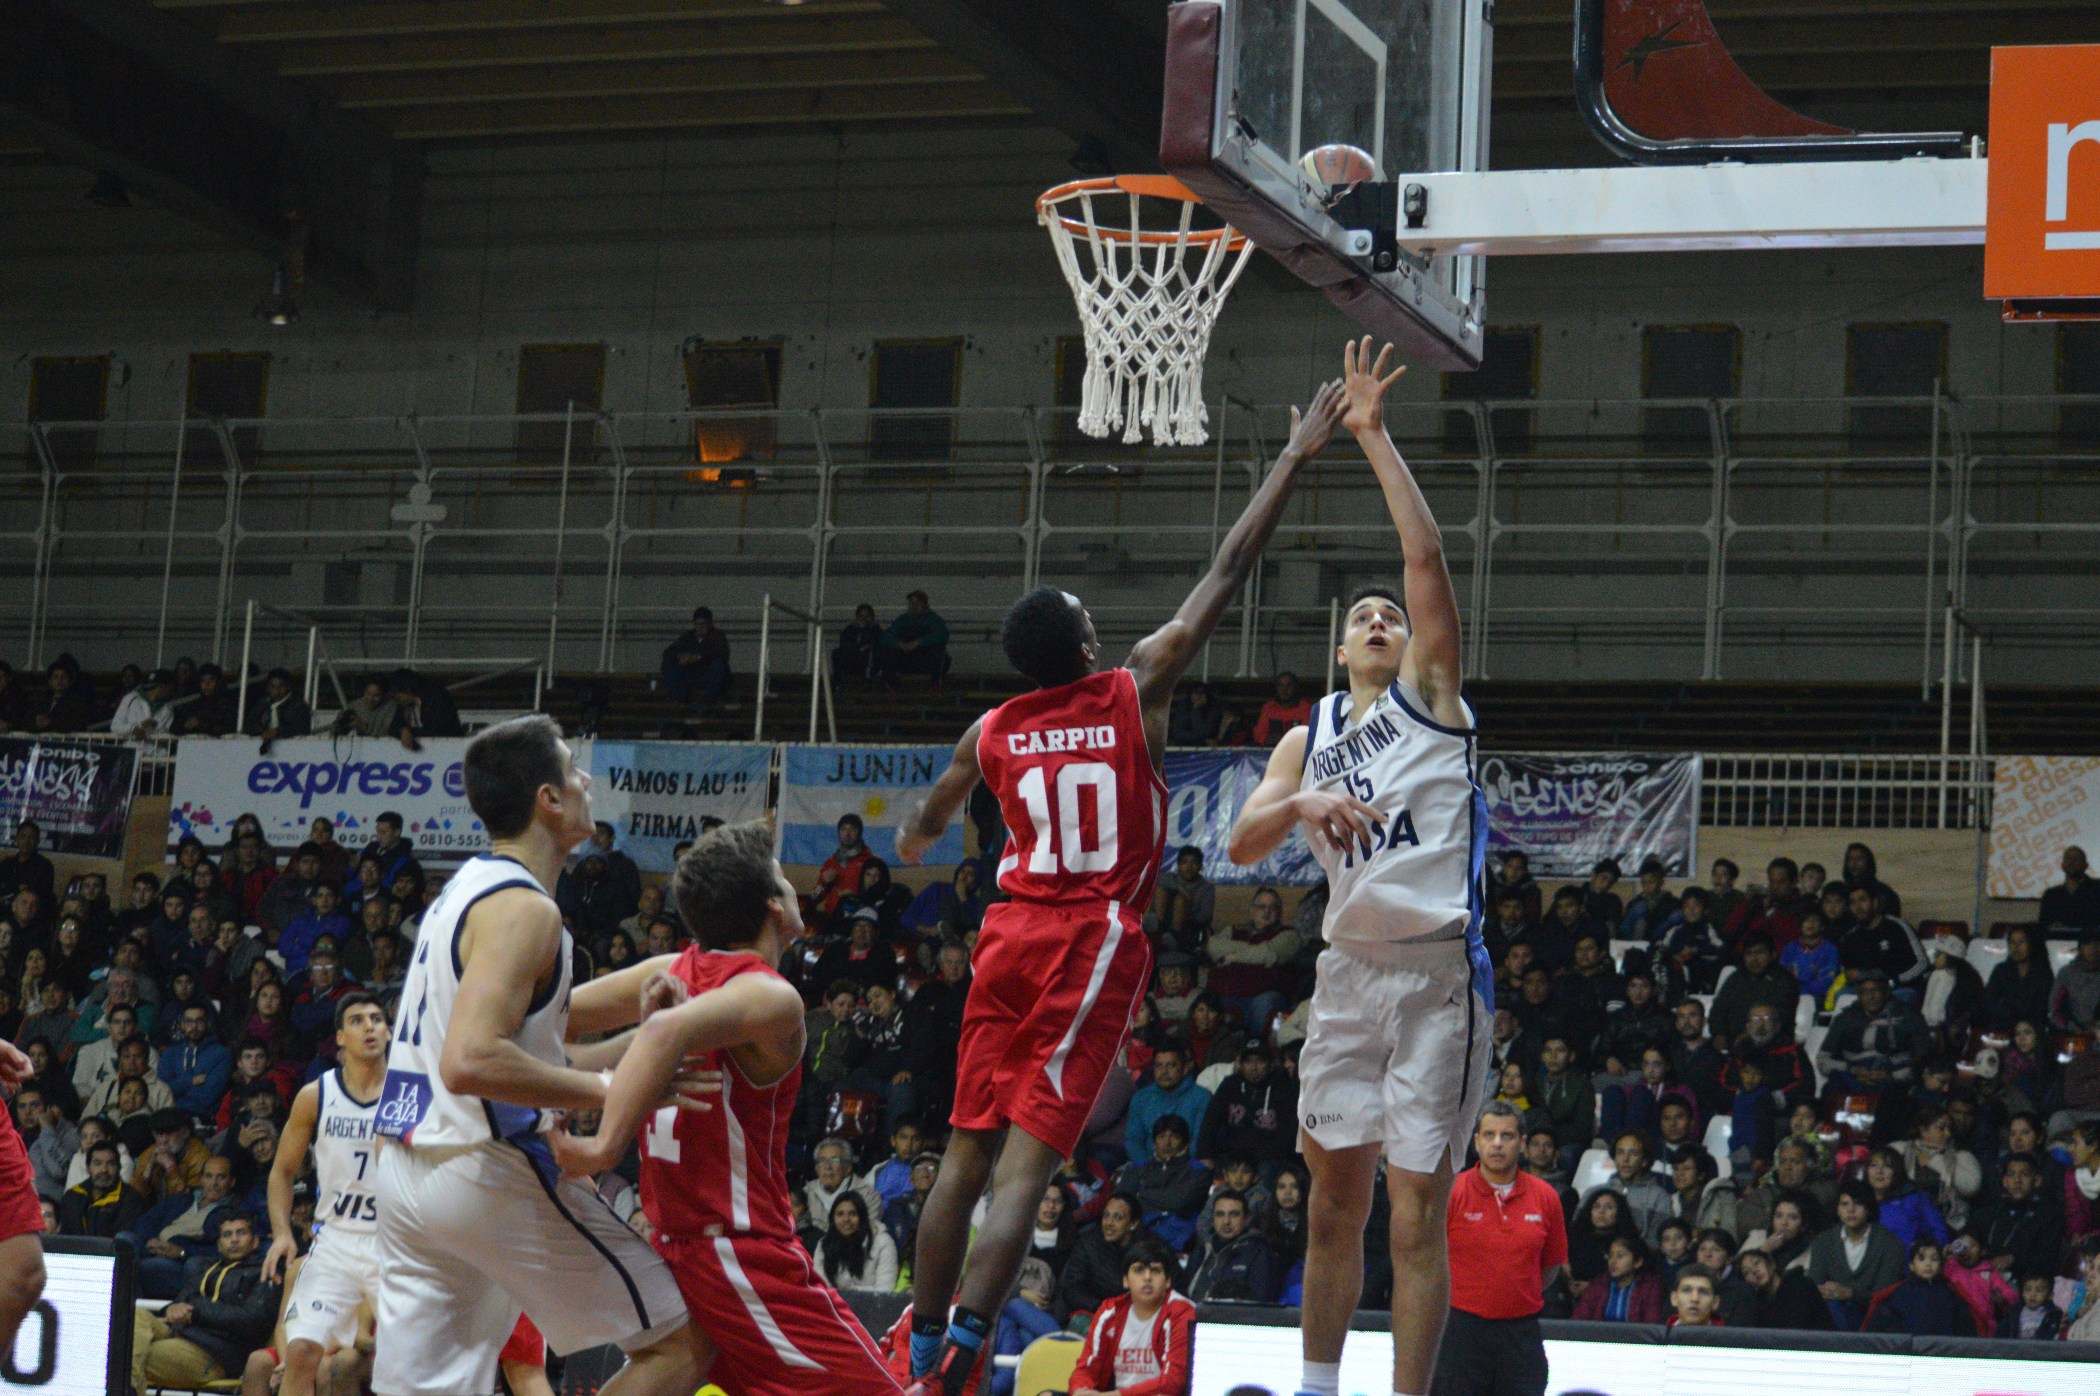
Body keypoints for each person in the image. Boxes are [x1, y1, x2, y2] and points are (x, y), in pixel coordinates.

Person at [893, 374, 1347, 1396]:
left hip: (1003, 930)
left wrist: (926, 830)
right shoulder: (1137, 684)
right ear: (1087, 647)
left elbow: (926, 817)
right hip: (1087, 937)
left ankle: (918, 1349)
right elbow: (1228, 568)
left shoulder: (993, 728)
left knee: (961, 1151)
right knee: (1026, 1164)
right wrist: (1292, 457)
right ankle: (963, 1350)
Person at [1224, 339, 1486, 1396]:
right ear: (1339, 652)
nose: (1379, 619)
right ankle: (1319, 1388)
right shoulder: (1309, 735)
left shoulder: (1435, 694)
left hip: (1434, 980)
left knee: (1418, 1211)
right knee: (1334, 1204)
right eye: (1358, 618)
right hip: (1345, 979)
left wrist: (1373, 435)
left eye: (1387, 615)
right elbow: (1241, 843)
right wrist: (1299, 798)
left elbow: (1425, 564)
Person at [369, 716, 698, 1396]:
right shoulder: (526, 910)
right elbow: (473, 1061)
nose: (586, 781)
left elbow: (543, 1028)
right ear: (548, 799)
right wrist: (618, 1086)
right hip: (481, 1168)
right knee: (686, 1342)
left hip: (405, 1171)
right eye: (574, 769)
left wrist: (658, 1022)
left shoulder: (462, 892)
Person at [548, 817, 906, 1394]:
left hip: (674, 1242)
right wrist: (599, 1149)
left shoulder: (672, 970)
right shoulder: (773, 996)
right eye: (786, 882)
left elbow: (552, 1012)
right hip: (737, 1251)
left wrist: (574, 1069)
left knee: (680, 1364)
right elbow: (664, 1034)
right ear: (773, 907)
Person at [260, 994, 388, 1396]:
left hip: (395, 1242)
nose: (370, 1026)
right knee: (300, 1351)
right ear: (340, 1038)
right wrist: (282, 1233)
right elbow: (281, 1172)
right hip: (336, 1240)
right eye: (357, 1020)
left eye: (377, 1019)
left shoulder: (409, 1091)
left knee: (408, 1363)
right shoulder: (316, 1095)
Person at [1432, 1101, 1565, 1396]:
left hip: (1521, 1333)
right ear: (1476, 1141)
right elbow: (1430, 1261)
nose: (1497, 1144)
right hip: (1460, 1331)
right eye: (1489, 1134)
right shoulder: (1453, 1191)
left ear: (1522, 1143)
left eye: (1507, 1136)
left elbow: (1550, 1268)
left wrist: (1512, 1295)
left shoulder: (1546, 1197)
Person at [130, 1211, 280, 1395]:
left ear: (255, 1241)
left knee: (128, 1354)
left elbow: (253, 1320)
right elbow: (182, 1300)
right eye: (227, 1235)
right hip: (180, 1334)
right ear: (219, 1244)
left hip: (213, 1354)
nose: (234, 1239)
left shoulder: (264, 1274)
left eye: (241, 1233)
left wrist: (197, 1312)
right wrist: (172, 1308)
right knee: (133, 1318)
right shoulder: (204, 1268)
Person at [1068, 1237, 1196, 1396]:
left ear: (1168, 1281)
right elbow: (1086, 1368)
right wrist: (1080, 1390)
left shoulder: (1182, 1312)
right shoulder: (1110, 1312)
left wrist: (1115, 1395)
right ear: (1125, 1281)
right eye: (1138, 1270)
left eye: (1155, 1270)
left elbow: (1173, 1382)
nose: (1147, 1277)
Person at [1805, 1182, 1906, 1330]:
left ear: (1869, 1208)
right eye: (1845, 1204)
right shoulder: (1823, 1241)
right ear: (1837, 1209)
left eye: (1858, 1204)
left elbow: (1884, 1295)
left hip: (1874, 1317)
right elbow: (1815, 1285)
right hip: (1832, 1312)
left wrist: (1849, 1293)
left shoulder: (1891, 1244)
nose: (1851, 1210)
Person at [1863, 1238, 1974, 1335]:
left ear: (1941, 1265)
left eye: (1934, 1259)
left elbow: (1965, 1332)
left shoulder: (1950, 1294)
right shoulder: (1900, 1293)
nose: (1928, 1264)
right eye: (1921, 1259)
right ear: (1911, 1265)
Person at [1186, 1189, 1277, 1301]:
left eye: (1234, 1214)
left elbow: (1259, 1302)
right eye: (1220, 1214)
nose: (1226, 1221)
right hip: (1191, 1314)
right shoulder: (1202, 1250)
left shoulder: (1259, 1253)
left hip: (1229, 1316)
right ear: (1213, 1219)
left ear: (1246, 1219)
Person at [1734, 1246, 1832, 1331]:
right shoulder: (1758, 1302)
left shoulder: (1800, 1285)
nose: (1754, 1271)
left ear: (1771, 1263)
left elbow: (1798, 1328)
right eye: (1746, 1272)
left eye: (1756, 1263)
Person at [879, 589, 951, 686]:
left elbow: (942, 635)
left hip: (927, 661)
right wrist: (899, 643)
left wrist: (918, 642)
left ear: (925, 604)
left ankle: (935, 685)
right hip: (907, 660)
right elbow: (886, 636)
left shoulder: (933, 620)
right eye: (911, 603)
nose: (914, 606)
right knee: (886, 650)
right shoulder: (903, 620)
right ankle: (890, 686)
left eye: (918, 603)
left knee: (938, 650)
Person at [2042, 846, 2100, 933]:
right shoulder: (2051, 894)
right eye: (2068, 859)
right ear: (2062, 865)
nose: (2071, 862)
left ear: (2086, 865)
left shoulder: (2097, 889)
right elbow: (2043, 925)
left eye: (2076, 859)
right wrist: (2052, 926)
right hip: (2059, 942)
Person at [244, 668, 312, 741]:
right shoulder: (263, 704)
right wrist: (260, 730)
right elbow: (248, 726)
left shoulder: (298, 705)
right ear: (268, 687)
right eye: (272, 686)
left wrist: (278, 732)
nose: (276, 690)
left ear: (288, 686)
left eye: (281, 686)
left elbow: (302, 728)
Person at [112, 667, 178, 737]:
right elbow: (115, 726)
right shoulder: (130, 698)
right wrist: (134, 728)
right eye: (170, 689)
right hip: (132, 746)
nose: (171, 693)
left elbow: (166, 735)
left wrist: (155, 726)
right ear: (161, 686)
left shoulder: (168, 708)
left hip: (155, 748)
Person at [1252, 672, 1311, 748]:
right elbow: (1259, 734)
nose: (1284, 690)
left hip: (1297, 751)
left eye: (1289, 686)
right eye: (1280, 686)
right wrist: (1269, 740)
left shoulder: (1305, 707)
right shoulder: (1269, 707)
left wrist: (1283, 739)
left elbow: (1307, 735)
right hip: (1271, 751)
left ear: (1295, 687)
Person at [834, 603, 887, 684]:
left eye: (867, 616)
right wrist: (857, 649)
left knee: (870, 653)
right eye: (861, 616)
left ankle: (867, 681)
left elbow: (876, 644)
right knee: (836, 653)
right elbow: (844, 645)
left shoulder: (876, 629)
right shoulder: (850, 629)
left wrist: (864, 630)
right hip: (852, 659)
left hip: (868, 662)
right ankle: (837, 683)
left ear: (872, 617)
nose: (864, 618)